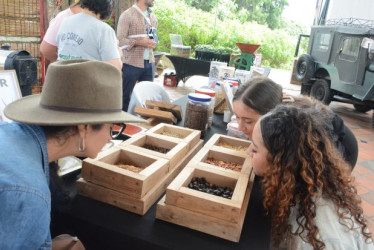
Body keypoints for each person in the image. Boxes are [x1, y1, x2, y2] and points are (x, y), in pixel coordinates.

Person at [0, 59, 144, 249]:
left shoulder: (8, 133)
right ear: (83, 128)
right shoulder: (29, 194)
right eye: (112, 127)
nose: (110, 138)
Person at [248, 104, 373, 249]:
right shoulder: (302, 185)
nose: (247, 151)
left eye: (255, 149)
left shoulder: (318, 240)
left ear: (281, 161)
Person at [233, 77, 359, 169]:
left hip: (340, 150)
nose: (239, 127)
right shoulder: (278, 118)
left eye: (248, 121)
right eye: (237, 117)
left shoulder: (298, 131)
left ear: (271, 116)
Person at [56, 0, 122, 70]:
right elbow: (114, 67)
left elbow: (59, 50)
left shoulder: (65, 22)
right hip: (87, 78)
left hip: (62, 77)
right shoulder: (104, 30)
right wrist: (118, 54)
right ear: (107, 8)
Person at [116, 0, 158, 111]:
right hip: (131, 63)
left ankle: (142, 125)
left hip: (149, 62)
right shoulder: (126, 15)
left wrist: (153, 43)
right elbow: (120, 41)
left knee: (148, 98)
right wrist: (139, 42)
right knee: (125, 97)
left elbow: (153, 37)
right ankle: (121, 124)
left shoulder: (152, 17)